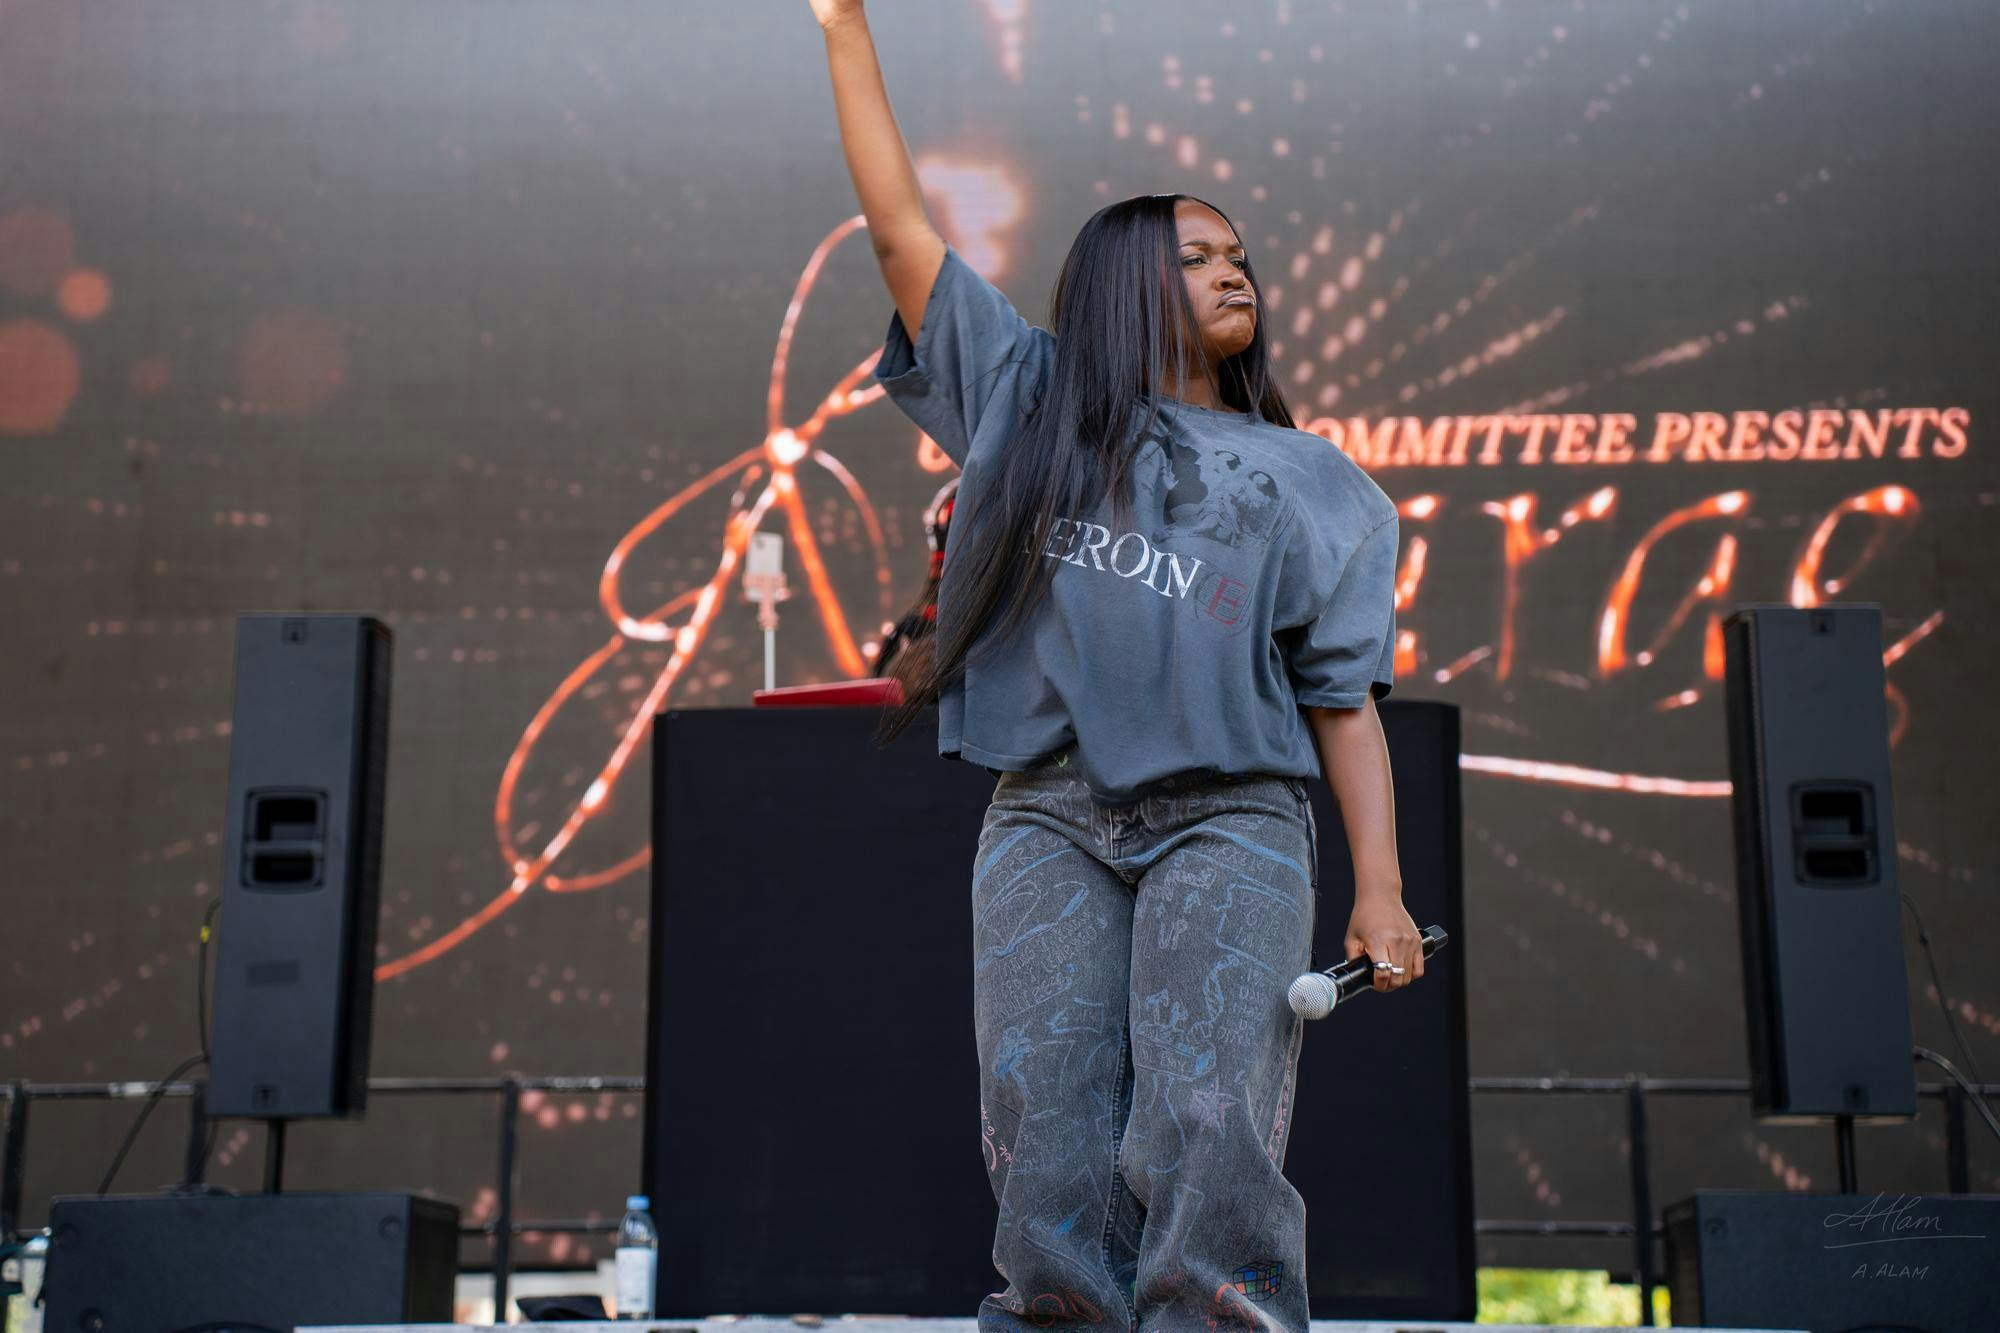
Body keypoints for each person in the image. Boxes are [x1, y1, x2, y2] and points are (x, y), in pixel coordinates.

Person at [810, 4, 1421, 1330]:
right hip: (1045, 813)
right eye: (1195, 253)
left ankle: (1225, 1318)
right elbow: (902, 230)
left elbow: (1345, 701)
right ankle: (1060, 1317)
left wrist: (1379, 889)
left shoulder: (1308, 477)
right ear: (1121, 278)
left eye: (1240, 256)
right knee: (1042, 1102)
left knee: (1209, 1109)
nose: (1232, 269)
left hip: (1234, 816)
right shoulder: (1024, 396)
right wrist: (843, 28)